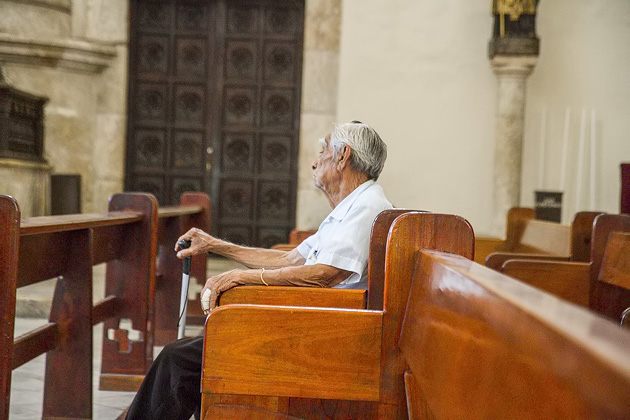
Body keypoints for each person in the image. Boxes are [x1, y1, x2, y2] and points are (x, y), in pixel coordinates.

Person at [125, 121, 392, 420]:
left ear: (343, 156)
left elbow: (324, 275)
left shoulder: (367, 206)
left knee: (178, 359)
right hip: (309, 319)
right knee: (192, 349)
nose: (315, 161)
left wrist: (239, 277)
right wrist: (214, 245)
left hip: (323, 333)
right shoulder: (350, 206)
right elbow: (291, 261)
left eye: (322, 150)